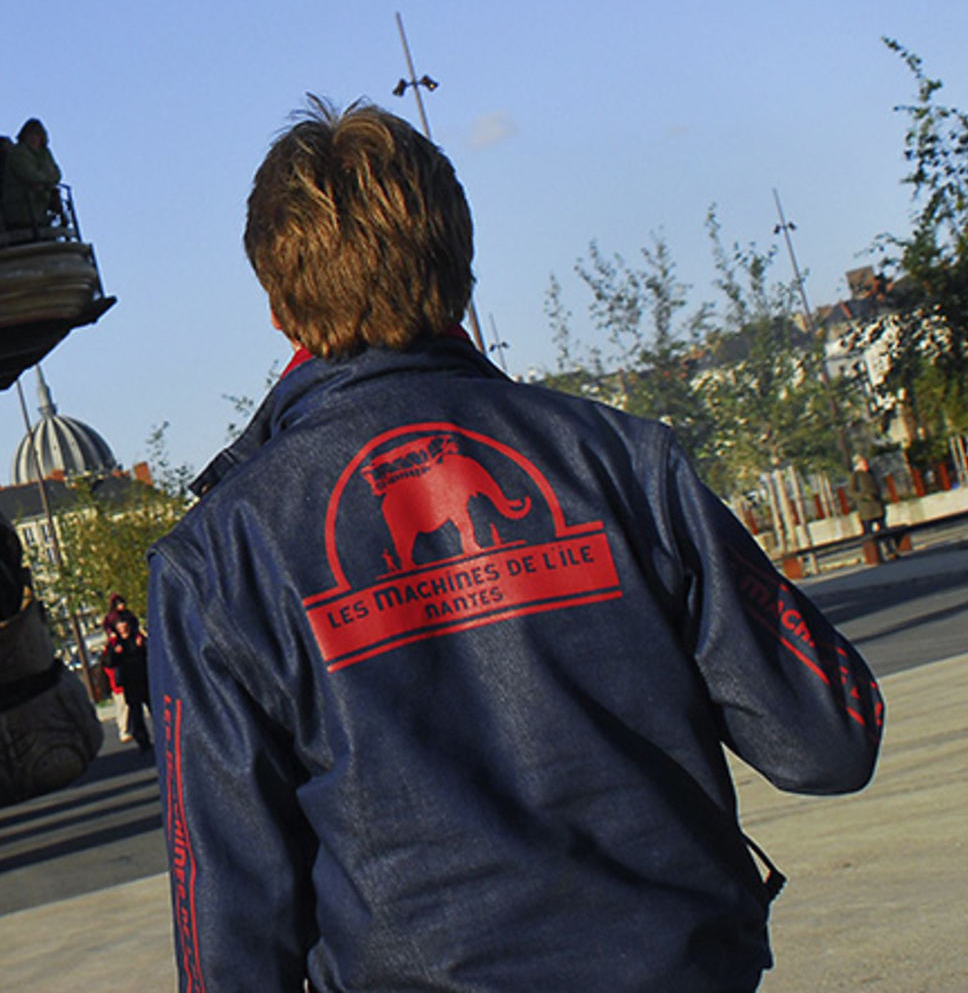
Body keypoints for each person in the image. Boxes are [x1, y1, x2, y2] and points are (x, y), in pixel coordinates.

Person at [149, 97, 883, 992]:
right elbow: (829, 739)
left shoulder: (217, 560)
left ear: (277, 306)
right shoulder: (621, 461)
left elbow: (231, 924)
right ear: (461, 269)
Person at [0, 118, 63, 231]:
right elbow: (30, 175)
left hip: (40, 209)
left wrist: (45, 182)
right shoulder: (18, 153)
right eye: (31, 134)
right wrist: (47, 180)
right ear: (24, 135)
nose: (34, 138)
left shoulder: (45, 153)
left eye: (37, 135)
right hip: (21, 210)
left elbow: (57, 174)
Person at [101, 615, 151, 752]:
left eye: (124, 623)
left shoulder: (138, 637)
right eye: (119, 624)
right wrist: (116, 654)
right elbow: (108, 662)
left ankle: (164, 736)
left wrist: (142, 646)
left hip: (144, 677)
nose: (123, 626)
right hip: (129, 681)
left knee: (154, 708)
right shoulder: (115, 643)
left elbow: (151, 652)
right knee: (136, 714)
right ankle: (143, 742)